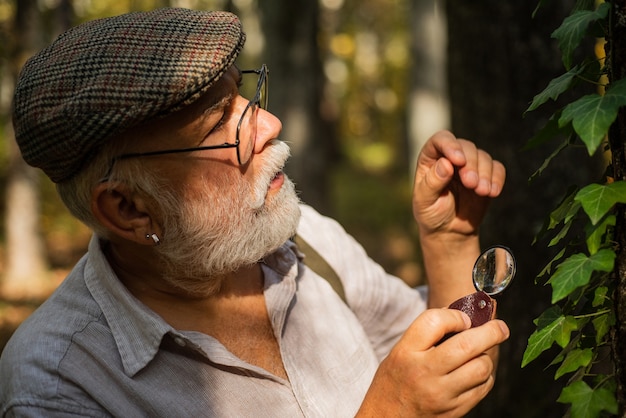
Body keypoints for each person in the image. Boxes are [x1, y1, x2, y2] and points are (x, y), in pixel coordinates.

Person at [0, 7, 509, 418]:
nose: (268, 124)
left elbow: (454, 370)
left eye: (242, 96)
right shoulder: (57, 385)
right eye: (220, 122)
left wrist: (447, 241)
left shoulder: (306, 242)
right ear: (129, 208)